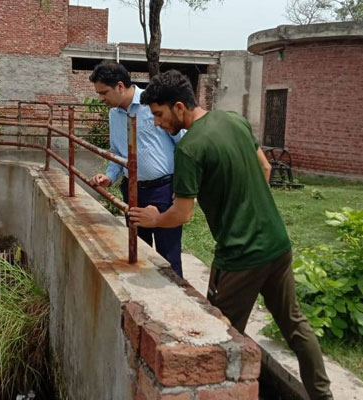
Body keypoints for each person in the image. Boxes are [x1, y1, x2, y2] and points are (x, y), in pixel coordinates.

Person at [128, 70, 333, 400]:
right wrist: (247, 208)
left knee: (217, 332)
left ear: (179, 107)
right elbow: (265, 169)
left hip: (240, 256)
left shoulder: (190, 149)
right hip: (277, 244)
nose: (158, 123)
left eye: (159, 114)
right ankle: (323, 397)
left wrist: (153, 218)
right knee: (296, 326)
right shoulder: (234, 121)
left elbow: (182, 214)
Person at [89, 61, 185, 277]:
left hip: (163, 190)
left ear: (120, 86)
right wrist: (109, 176)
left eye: (104, 92)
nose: (101, 98)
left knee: (167, 255)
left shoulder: (154, 106)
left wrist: (182, 187)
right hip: (132, 191)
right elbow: (117, 152)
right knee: (138, 251)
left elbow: (184, 145)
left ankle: (173, 298)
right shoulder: (114, 114)